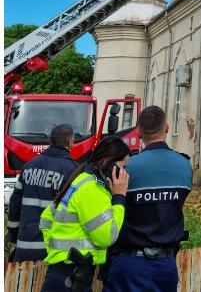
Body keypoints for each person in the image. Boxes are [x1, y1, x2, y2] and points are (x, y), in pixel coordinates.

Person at [103, 106, 191, 292]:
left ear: (139, 131)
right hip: (166, 265)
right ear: (166, 128)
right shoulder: (184, 166)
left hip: (129, 263)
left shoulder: (127, 168)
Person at [39, 135, 130, 292]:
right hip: (73, 276)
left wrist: (58, 252)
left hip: (63, 274)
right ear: (109, 164)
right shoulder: (93, 190)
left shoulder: (81, 180)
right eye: (123, 166)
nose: (124, 173)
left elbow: (46, 218)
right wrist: (119, 198)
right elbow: (107, 237)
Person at [7, 124, 80, 263]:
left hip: (24, 247)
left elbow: (15, 203)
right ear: (70, 143)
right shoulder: (74, 170)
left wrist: (13, 233)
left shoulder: (28, 166)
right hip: (53, 251)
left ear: (50, 142)